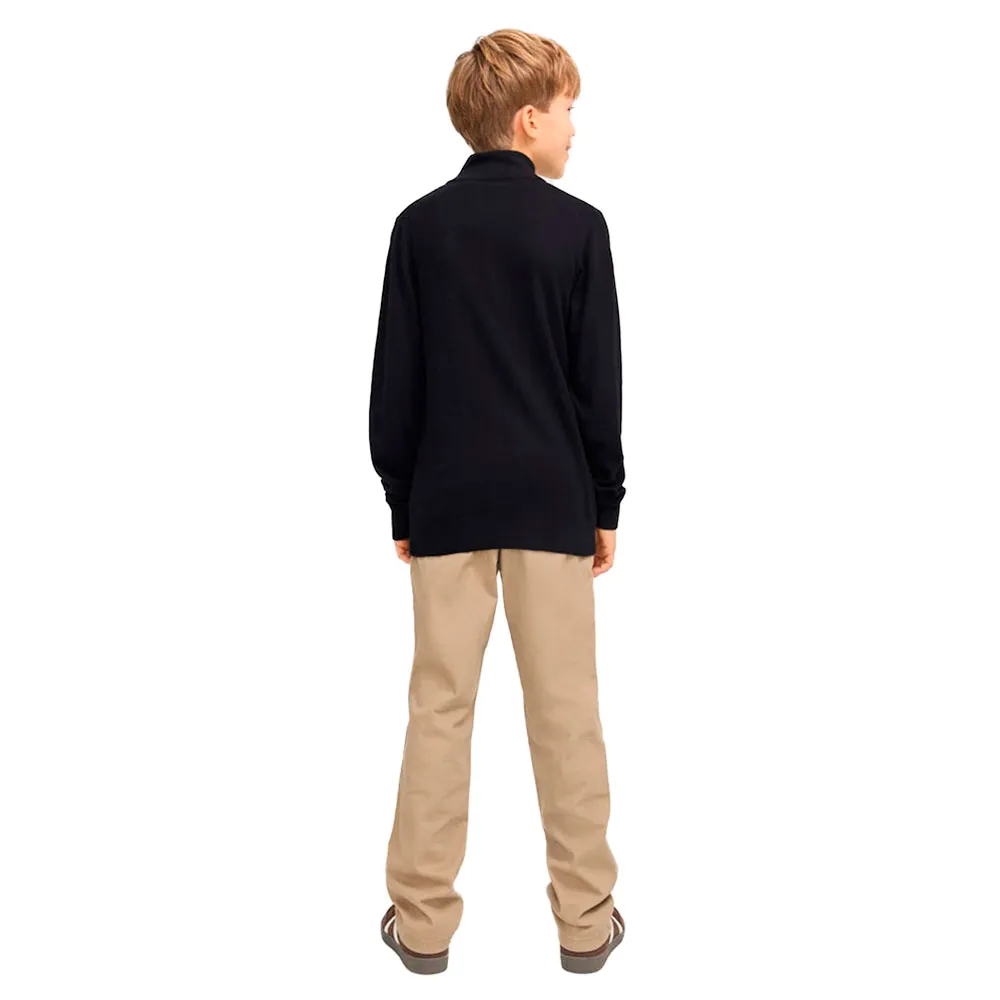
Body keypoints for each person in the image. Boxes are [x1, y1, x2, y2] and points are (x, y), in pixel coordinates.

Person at [369, 28, 626, 975]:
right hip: (553, 507)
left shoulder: (419, 228)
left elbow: (396, 383)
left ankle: (422, 927)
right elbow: (598, 385)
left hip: (447, 508)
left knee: (439, 709)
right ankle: (586, 923)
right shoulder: (578, 228)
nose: (574, 128)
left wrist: (403, 502)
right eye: (566, 111)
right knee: (567, 715)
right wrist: (605, 501)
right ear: (526, 120)